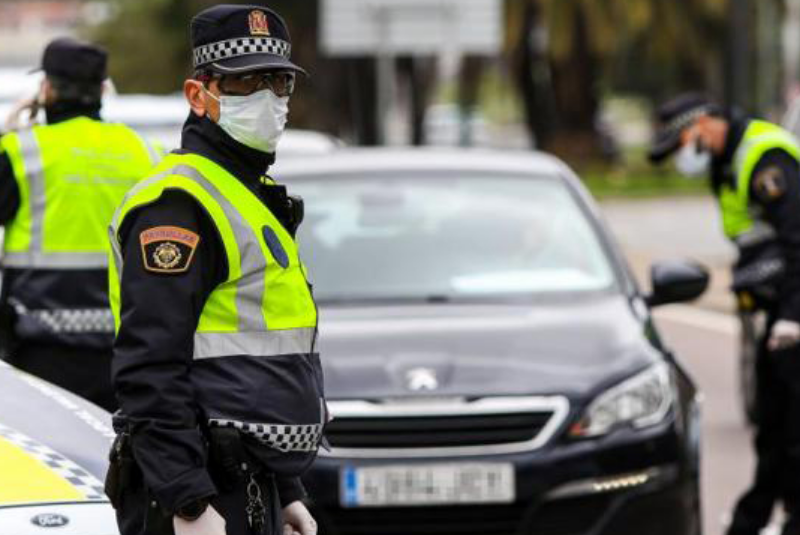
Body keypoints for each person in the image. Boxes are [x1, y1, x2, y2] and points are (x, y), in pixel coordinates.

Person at [105, 5, 323, 535]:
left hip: (248, 483)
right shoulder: (178, 206)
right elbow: (150, 368)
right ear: (198, 95)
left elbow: (251, 357)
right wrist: (188, 502)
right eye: (246, 82)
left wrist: (286, 490)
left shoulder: (245, 195)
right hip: (199, 490)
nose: (269, 99)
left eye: (279, 82)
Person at [649, 93, 800, 535]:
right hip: (774, 310)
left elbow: (798, 240)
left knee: (793, 427)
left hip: (794, 310)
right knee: (773, 423)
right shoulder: (728, 162)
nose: (681, 155)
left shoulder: (764, 156)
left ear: (702, 125)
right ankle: (755, 519)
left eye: (681, 144)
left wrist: (794, 315)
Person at [0, 38, 162, 411]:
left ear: (47, 89)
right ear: (103, 89)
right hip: (129, 352)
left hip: (40, 351)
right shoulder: (145, 151)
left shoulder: (21, 151)